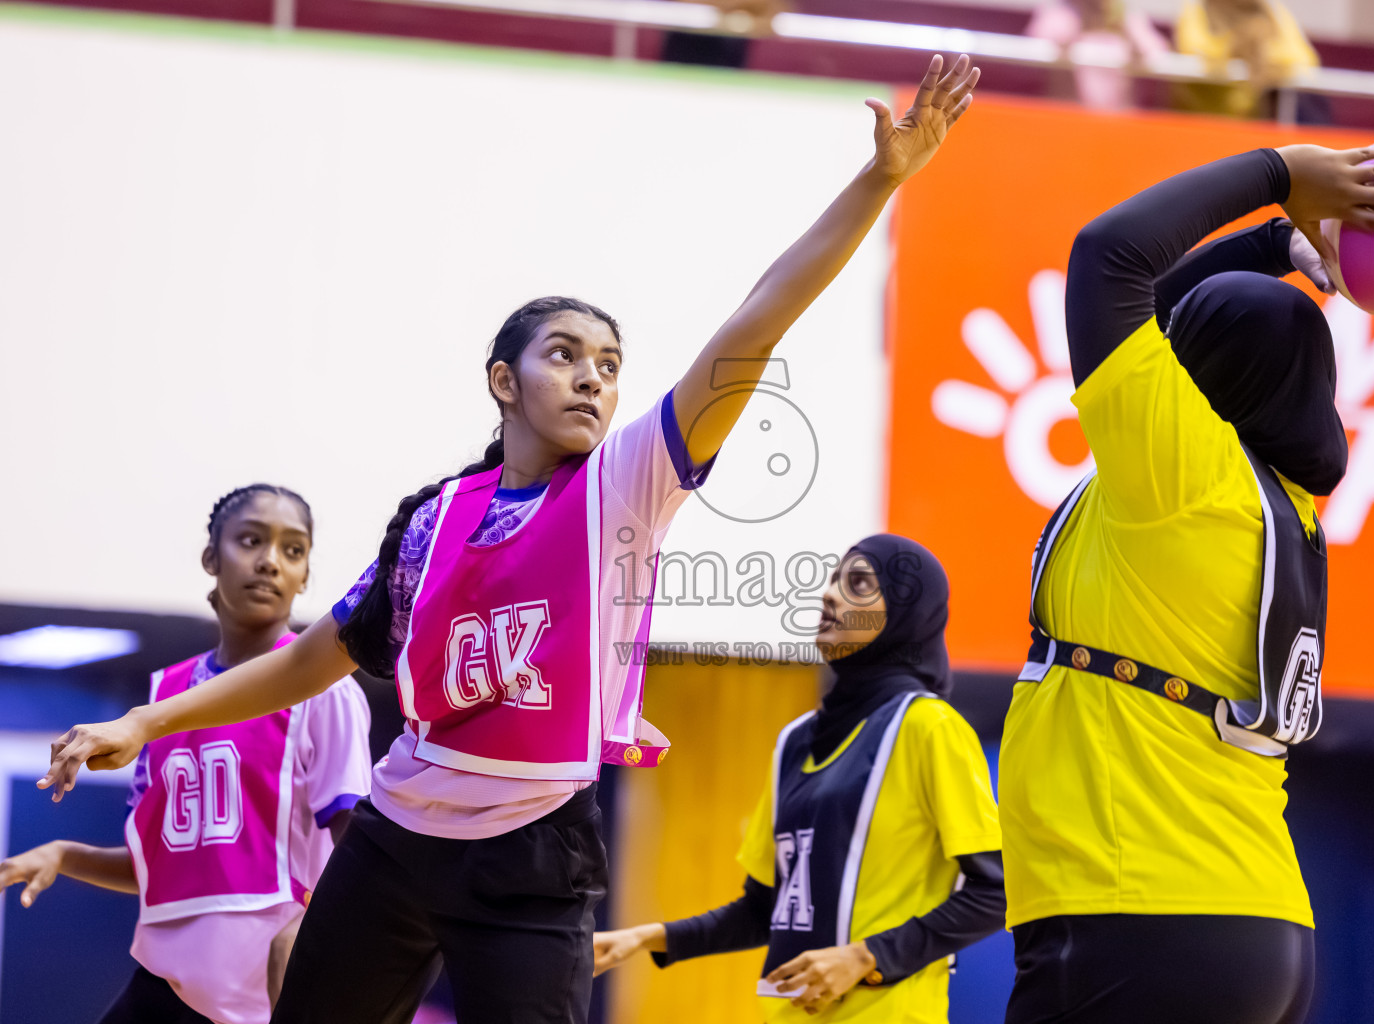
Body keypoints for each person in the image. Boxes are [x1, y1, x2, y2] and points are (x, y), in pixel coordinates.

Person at [37, 54, 981, 1024]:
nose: (591, 378)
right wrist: (145, 721)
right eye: (564, 354)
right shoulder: (432, 517)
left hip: (532, 850)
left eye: (609, 364)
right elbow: (314, 658)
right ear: (503, 379)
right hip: (396, 837)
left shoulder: (625, 484)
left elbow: (758, 319)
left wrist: (879, 180)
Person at [997, 144, 1374, 1024]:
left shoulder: (1185, 476)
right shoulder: (1279, 499)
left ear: (1203, 373)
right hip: (1250, 920)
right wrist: (1277, 246)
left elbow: (1111, 260)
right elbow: (1156, 305)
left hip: (1137, 911)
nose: (1162, 343)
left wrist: (1285, 173)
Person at [1, 485, 374, 1024]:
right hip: (166, 983)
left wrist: (323, 938)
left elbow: (356, 848)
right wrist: (63, 853)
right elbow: (161, 866)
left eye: (293, 551)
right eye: (251, 540)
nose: (270, 562)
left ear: (305, 577)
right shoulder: (163, 694)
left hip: (264, 993)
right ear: (210, 558)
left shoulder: (326, 690)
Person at [593, 535, 1004, 1022]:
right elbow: (767, 907)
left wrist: (865, 957)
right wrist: (643, 937)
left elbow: (996, 892)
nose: (830, 594)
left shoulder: (929, 727)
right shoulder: (794, 740)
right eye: (833, 579)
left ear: (904, 611)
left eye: (858, 584)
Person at [1174, 0, 1319, 119]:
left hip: (1259, 120)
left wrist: (1261, 52)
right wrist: (1234, 48)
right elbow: (1192, 50)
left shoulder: (1273, 11)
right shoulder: (1198, 6)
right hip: (1205, 116)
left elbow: (1304, 59)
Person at [1025, 0, 1168, 112]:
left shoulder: (1128, 17)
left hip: (1117, 118)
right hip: (1070, 114)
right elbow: (1040, 39)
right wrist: (1075, 19)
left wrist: (1126, 29)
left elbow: (1154, 50)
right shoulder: (1061, 12)